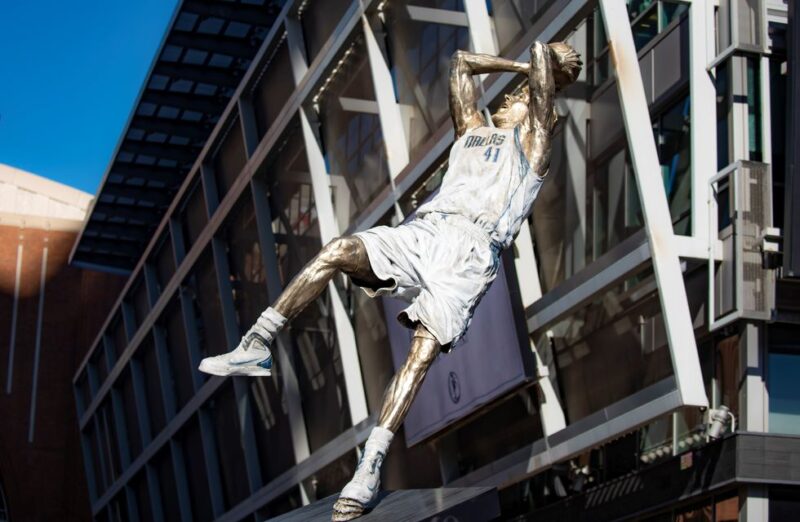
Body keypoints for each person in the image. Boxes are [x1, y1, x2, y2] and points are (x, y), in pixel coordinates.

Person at [199, 40, 581, 521]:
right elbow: (460, 62)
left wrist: (539, 68)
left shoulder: (534, 146)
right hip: (427, 229)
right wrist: (521, 66)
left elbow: (546, 67)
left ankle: (370, 466)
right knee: (339, 250)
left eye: (520, 95)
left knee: (420, 353)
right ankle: (258, 340)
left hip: (469, 252)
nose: (509, 97)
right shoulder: (472, 133)